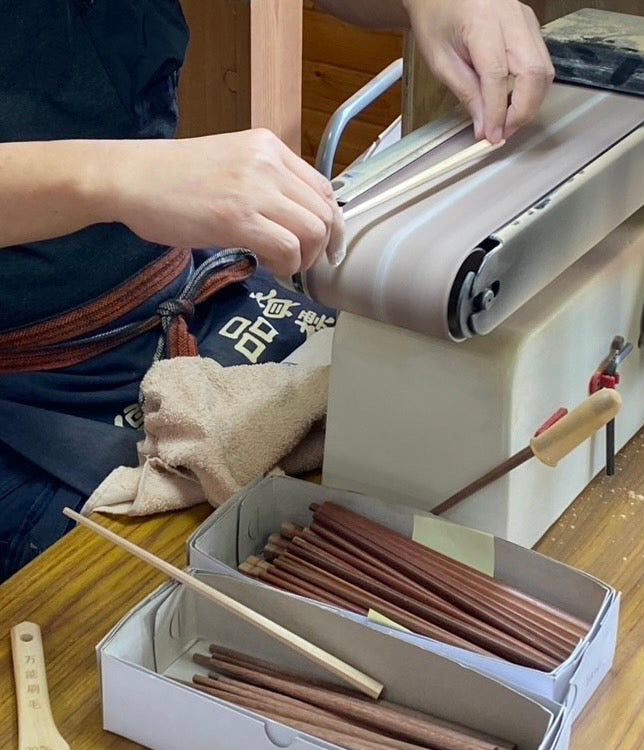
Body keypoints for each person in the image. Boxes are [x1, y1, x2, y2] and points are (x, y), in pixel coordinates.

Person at [0, 0, 554, 581]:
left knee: (400, 445)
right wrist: (116, 177)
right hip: (31, 385)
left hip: (185, 291)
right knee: (148, 582)